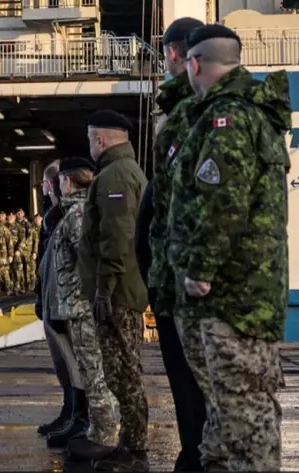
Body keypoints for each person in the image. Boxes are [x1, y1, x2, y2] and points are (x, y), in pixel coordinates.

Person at [168, 24, 289, 471]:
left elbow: (222, 203)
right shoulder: (250, 113)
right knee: (238, 412)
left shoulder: (228, 118)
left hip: (231, 296)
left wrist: (199, 270)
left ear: (195, 63)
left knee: (243, 417)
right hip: (247, 291)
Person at [138, 16, 208, 472]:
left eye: (166, 53)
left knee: (199, 387)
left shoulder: (198, 117)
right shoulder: (180, 114)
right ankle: (193, 455)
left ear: (178, 55)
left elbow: (200, 207)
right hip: (170, 283)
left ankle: (198, 458)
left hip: (188, 289)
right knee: (186, 389)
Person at [78, 109, 149, 470]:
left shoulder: (115, 177)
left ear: (101, 139)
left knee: (124, 372)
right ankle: (130, 444)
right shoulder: (122, 171)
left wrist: (103, 290)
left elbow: (116, 238)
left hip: (118, 293)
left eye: (91, 138)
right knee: (124, 370)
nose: (90, 144)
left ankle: (135, 450)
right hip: (121, 289)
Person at [51, 158, 117, 461]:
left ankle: (103, 435)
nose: (57, 185)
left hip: (81, 307)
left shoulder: (77, 213)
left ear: (68, 181)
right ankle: (97, 430)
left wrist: (91, 297)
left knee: (93, 373)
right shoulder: (74, 211)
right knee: (90, 372)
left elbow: (88, 259)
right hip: (76, 305)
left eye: (61, 179)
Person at [34, 159, 84, 439]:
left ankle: (78, 415)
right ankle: (70, 411)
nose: (42, 188)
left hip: (66, 298)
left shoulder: (64, 215)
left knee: (72, 360)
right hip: (51, 293)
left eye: (44, 182)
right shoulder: (52, 214)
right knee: (61, 360)